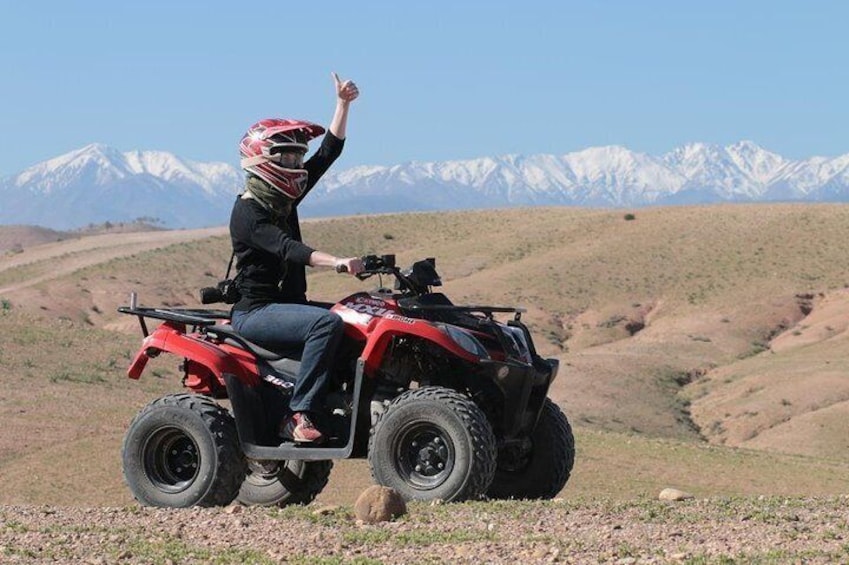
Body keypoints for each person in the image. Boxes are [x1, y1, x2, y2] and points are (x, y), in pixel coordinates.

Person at [229, 72, 364, 444]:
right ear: (261, 158)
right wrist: (335, 261)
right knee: (325, 325)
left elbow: (327, 154)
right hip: (255, 313)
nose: (294, 162)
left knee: (355, 316)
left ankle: (341, 405)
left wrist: (343, 104)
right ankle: (298, 414)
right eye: (285, 155)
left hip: (288, 304)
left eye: (296, 154)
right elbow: (289, 249)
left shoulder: (284, 199)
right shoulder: (249, 213)